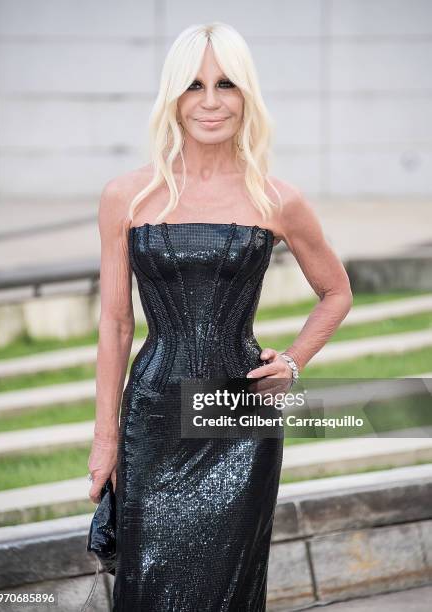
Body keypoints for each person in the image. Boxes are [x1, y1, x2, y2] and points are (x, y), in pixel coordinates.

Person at [87, 22, 353, 611]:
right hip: (154, 414)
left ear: (247, 95)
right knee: (148, 588)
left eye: (226, 84)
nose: (210, 102)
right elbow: (116, 325)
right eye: (194, 85)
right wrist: (105, 437)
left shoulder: (277, 198)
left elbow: (336, 292)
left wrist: (291, 361)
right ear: (172, 97)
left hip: (239, 413)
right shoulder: (126, 197)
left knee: (229, 590)